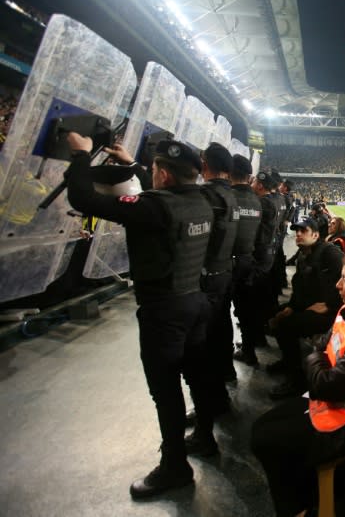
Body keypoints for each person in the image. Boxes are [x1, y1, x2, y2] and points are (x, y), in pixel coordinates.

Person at [66, 133, 215, 499]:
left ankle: (175, 467)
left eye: (154, 169)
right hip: (195, 303)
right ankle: (206, 437)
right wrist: (131, 163)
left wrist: (81, 156)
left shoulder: (155, 207)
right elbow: (159, 198)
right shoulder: (203, 201)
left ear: (163, 174)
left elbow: (82, 198)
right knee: (197, 377)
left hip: (163, 311)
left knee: (165, 391)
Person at [251, 250, 345, 517]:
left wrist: (315, 358)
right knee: (262, 428)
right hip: (333, 405)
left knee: (266, 439)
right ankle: (306, 498)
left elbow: (324, 380)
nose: (337, 286)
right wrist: (318, 357)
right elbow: (321, 347)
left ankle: (298, 509)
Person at [187, 142, 238, 454]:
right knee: (219, 339)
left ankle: (205, 425)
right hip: (224, 276)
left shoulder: (205, 196)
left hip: (204, 281)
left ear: (203, 164)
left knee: (199, 353)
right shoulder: (232, 195)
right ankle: (218, 400)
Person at [265, 217, 343, 400]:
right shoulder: (303, 255)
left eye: (303, 231)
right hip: (310, 307)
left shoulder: (330, 253)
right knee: (275, 313)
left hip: (330, 312)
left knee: (287, 327)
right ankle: (288, 361)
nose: (298, 234)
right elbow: (300, 288)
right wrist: (291, 307)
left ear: (315, 235)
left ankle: (297, 381)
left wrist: (329, 305)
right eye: (296, 231)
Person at [234, 170, 279, 364]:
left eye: (254, 183)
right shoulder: (274, 201)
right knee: (257, 303)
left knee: (248, 307)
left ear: (260, 185)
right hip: (267, 255)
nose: (251, 185)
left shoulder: (262, 203)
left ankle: (249, 350)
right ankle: (256, 340)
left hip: (258, 257)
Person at [229, 155, 262, 368]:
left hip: (227, 264)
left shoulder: (228, 197)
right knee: (246, 310)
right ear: (249, 177)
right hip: (249, 261)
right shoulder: (257, 200)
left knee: (221, 314)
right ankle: (250, 351)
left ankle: (225, 365)